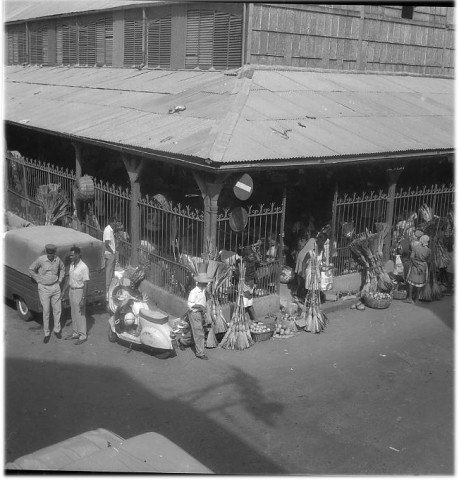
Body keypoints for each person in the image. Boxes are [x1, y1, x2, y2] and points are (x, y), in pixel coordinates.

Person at [29, 244, 65, 343]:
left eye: (52, 254)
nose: (50, 256)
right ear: (46, 252)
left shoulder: (57, 260)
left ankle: (57, 330)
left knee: (57, 310)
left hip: (55, 287)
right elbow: (31, 269)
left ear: (54, 253)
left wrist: (60, 280)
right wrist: (38, 279)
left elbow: (62, 269)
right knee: (46, 312)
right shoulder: (41, 260)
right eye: (49, 254)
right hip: (44, 288)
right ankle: (46, 333)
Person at [179, 273, 212, 360]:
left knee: (193, 332)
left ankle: (183, 341)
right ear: (200, 282)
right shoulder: (194, 292)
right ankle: (200, 353)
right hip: (194, 313)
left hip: (200, 314)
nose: (207, 284)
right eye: (205, 282)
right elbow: (190, 305)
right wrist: (201, 307)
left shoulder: (203, 291)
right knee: (199, 333)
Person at [64, 246, 90, 345]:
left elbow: (86, 283)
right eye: (70, 255)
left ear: (78, 255)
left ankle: (83, 335)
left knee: (80, 314)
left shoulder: (84, 267)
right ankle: (75, 333)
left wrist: (83, 298)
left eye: (72, 255)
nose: (71, 257)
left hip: (79, 292)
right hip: (72, 291)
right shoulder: (72, 265)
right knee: (73, 313)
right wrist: (64, 292)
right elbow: (69, 279)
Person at [405, 234, 431, 303]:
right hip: (423, 267)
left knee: (411, 283)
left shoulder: (415, 248)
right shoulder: (429, 250)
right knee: (420, 284)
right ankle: (416, 299)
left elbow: (411, 257)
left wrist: (417, 266)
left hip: (415, 266)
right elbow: (428, 260)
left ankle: (410, 299)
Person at [241, 246, 260, 322]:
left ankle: (254, 318)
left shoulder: (253, 262)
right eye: (250, 256)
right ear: (246, 256)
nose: (252, 257)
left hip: (251, 283)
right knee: (245, 304)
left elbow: (258, 261)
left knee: (249, 302)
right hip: (245, 283)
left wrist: (255, 252)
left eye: (253, 256)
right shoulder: (243, 263)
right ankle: (247, 320)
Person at [103, 216, 117, 300]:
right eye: (115, 222)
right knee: (109, 273)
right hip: (109, 254)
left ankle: (110, 291)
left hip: (110, 253)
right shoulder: (108, 230)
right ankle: (107, 293)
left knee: (111, 273)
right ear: (111, 222)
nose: (116, 224)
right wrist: (112, 251)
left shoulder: (110, 230)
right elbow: (106, 243)